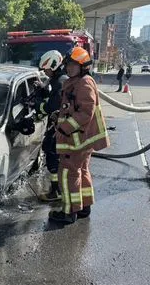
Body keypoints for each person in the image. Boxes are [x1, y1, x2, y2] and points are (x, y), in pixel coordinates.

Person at [49, 47, 110, 225]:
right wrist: (58, 115)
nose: (69, 68)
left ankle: (69, 211)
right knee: (81, 170)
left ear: (83, 66)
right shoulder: (76, 81)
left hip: (76, 140)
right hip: (82, 139)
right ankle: (84, 207)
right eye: (68, 65)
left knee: (68, 173)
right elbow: (71, 107)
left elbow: (85, 113)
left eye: (74, 65)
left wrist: (64, 128)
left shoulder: (83, 83)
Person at [33, 50, 67, 202]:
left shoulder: (60, 82)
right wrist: (43, 88)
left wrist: (36, 104)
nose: (44, 72)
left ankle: (56, 191)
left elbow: (51, 106)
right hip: (59, 126)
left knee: (52, 155)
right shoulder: (57, 80)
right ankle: (57, 189)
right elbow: (52, 95)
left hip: (60, 128)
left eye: (46, 69)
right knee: (52, 153)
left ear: (53, 66)